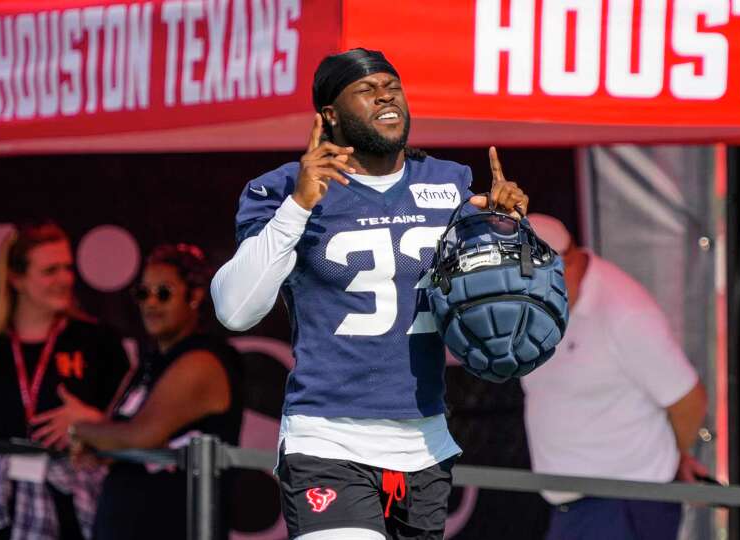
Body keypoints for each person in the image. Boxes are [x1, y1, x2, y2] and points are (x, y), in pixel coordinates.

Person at [210, 48, 529, 540]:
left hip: (424, 442)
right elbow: (235, 310)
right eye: (366, 88)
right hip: (329, 439)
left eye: (392, 86)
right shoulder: (282, 189)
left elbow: (490, 298)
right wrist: (298, 206)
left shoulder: (449, 183)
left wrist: (505, 229)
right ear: (329, 115)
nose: (385, 95)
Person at [520, 214, 708, 540]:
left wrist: (670, 457)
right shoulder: (535, 308)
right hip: (577, 506)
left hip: (624, 504)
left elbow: (688, 399)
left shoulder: (624, 313)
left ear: (568, 263)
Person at [0, 221, 133, 539]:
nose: (65, 280)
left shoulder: (98, 342)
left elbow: (139, 429)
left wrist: (92, 422)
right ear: (16, 278)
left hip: (74, 510)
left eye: (68, 268)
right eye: (50, 271)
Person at [70, 243, 244, 540]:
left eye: (163, 292)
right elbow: (116, 437)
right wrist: (99, 442)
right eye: (143, 292)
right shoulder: (151, 362)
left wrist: (78, 429)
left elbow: (140, 436)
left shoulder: (204, 360)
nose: (150, 303)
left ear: (195, 295)